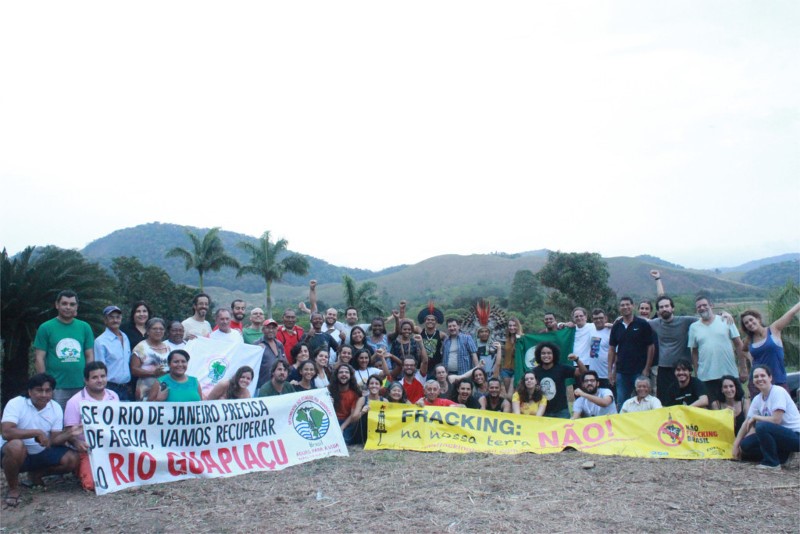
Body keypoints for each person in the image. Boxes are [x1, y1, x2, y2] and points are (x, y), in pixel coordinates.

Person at [1, 374, 79, 507]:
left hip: (40, 452)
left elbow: (54, 439)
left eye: (48, 391)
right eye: (39, 390)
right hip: (15, 453)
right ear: (30, 391)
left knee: (73, 459)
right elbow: (6, 432)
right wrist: (36, 432)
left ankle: (36, 475)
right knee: (16, 445)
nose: (44, 395)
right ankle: (13, 488)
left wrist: (69, 434)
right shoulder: (16, 403)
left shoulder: (55, 408)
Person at [33, 290, 95, 410]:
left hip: (81, 386)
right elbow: (39, 357)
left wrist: (89, 379)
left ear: (77, 307)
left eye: (72, 304)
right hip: (56, 387)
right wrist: (44, 384)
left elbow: (89, 356)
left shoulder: (85, 327)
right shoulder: (45, 328)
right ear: (57, 305)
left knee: (79, 424)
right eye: (64, 303)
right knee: (57, 423)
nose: (68, 307)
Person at [63, 362, 119, 491]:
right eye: (94, 377)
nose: (100, 380)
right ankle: (80, 469)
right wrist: (77, 442)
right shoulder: (74, 402)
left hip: (112, 447)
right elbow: (68, 432)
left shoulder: (113, 396)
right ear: (86, 380)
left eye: (103, 376)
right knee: (92, 485)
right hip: (88, 450)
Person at [733, 365, 800, 469]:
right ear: (753, 381)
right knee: (746, 445)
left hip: (795, 436)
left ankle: (772, 462)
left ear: (770, 378)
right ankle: (782, 456)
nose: (759, 379)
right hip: (779, 436)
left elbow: (776, 420)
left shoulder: (778, 391)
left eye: (762, 375)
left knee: (762, 426)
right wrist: (736, 446)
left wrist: (756, 417)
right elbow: (746, 422)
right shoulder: (757, 399)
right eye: (756, 377)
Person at [688, 296, 746, 403]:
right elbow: (694, 352)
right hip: (706, 376)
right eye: (699, 307)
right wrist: (697, 373)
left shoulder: (726, 320)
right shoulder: (693, 327)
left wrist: (743, 369)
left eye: (704, 305)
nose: (702, 308)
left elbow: (738, 345)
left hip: (729, 373)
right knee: (712, 410)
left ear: (711, 305)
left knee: (736, 406)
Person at [648, 293, 699, 406]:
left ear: (672, 308)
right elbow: (638, 322)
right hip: (664, 369)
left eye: (666, 306)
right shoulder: (656, 323)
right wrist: (617, 321)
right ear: (658, 311)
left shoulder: (685, 321)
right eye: (661, 307)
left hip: (682, 368)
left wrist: (723, 314)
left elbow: (705, 318)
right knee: (664, 399)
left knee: (684, 398)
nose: (664, 309)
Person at [740, 303, 800, 398]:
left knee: (784, 410)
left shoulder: (773, 329)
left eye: (751, 320)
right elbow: (743, 350)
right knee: (762, 412)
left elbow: (791, 312)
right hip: (757, 383)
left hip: (778, 380)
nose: (750, 324)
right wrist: (751, 360)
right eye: (746, 323)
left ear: (758, 319)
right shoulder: (749, 339)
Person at [608, 297, 654, 410]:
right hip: (622, 372)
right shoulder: (617, 326)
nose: (625, 307)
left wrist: (647, 368)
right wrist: (610, 371)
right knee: (622, 402)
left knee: (644, 401)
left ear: (633, 306)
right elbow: (612, 349)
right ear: (619, 308)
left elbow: (651, 347)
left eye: (627, 304)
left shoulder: (642, 324)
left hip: (639, 371)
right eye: (622, 305)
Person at [532, 342, 586, 419]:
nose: (546, 355)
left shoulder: (562, 368)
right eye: (543, 353)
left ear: (554, 354)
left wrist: (577, 360)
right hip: (542, 412)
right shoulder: (535, 371)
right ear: (539, 355)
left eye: (549, 353)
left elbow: (583, 373)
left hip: (561, 412)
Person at [93, 305, 132, 400]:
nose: (115, 320)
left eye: (118, 317)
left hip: (126, 388)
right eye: (111, 317)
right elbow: (100, 368)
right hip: (109, 387)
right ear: (105, 320)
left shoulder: (125, 337)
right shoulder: (100, 341)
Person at [130, 318, 170, 401]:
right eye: (154, 329)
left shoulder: (167, 347)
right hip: (146, 390)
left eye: (161, 329)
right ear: (147, 331)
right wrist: (153, 373)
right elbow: (133, 370)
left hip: (165, 389)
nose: (158, 331)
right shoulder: (140, 347)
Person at [329, 364, 361, 444]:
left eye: (346, 372)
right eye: (341, 372)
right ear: (337, 375)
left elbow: (352, 415)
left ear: (350, 376)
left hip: (347, 422)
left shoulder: (355, 393)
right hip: (332, 421)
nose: (344, 374)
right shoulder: (328, 390)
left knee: (345, 441)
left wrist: (342, 428)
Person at [353, 375, 388, 444]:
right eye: (371, 383)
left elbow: (389, 419)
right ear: (368, 386)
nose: (374, 386)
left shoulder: (384, 401)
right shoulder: (362, 400)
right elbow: (354, 419)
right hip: (363, 435)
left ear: (380, 386)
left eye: (377, 384)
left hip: (379, 433)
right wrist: (362, 412)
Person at [254, 319, 285, 389]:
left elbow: (284, 363)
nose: (271, 330)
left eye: (273, 328)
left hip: (279, 385)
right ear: (263, 330)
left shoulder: (279, 344)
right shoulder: (257, 344)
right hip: (262, 386)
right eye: (268, 328)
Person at [418, 303, 446, 373]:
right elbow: (407, 325)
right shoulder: (420, 331)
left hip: (436, 367)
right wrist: (402, 310)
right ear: (425, 321)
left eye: (432, 320)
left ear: (436, 322)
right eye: (428, 319)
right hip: (421, 365)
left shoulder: (441, 334)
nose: (430, 321)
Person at [588, 309, 612, 390]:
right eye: (595, 318)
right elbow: (576, 324)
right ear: (592, 320)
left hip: (607, 374)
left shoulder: (611, 331)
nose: (598, 320)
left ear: (605, 318)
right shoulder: (590, 329)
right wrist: (560, 324)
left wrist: (612, 373)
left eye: (601, 318)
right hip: (593, 374)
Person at [499, 317, 523, 397]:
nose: (512, 327)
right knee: (509, 394)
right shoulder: (505, 339)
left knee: (514, 394)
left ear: (518, 326)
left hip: (517, 369)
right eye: (510, 325)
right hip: (506, 369)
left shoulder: (522, 338)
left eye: (514, 325)